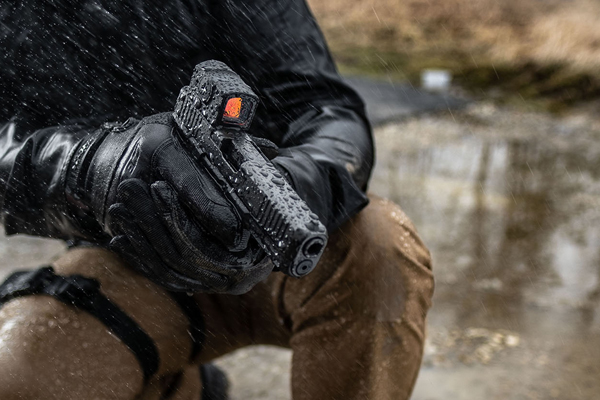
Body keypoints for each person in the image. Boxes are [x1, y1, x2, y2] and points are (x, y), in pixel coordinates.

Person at [0, 1, 434, 399]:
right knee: (21, 377)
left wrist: (297, 183)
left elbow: (326, 110)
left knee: (379, 246)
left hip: (262, 240)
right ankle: (180, 388)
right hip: (126, 252)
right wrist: (87, 164)